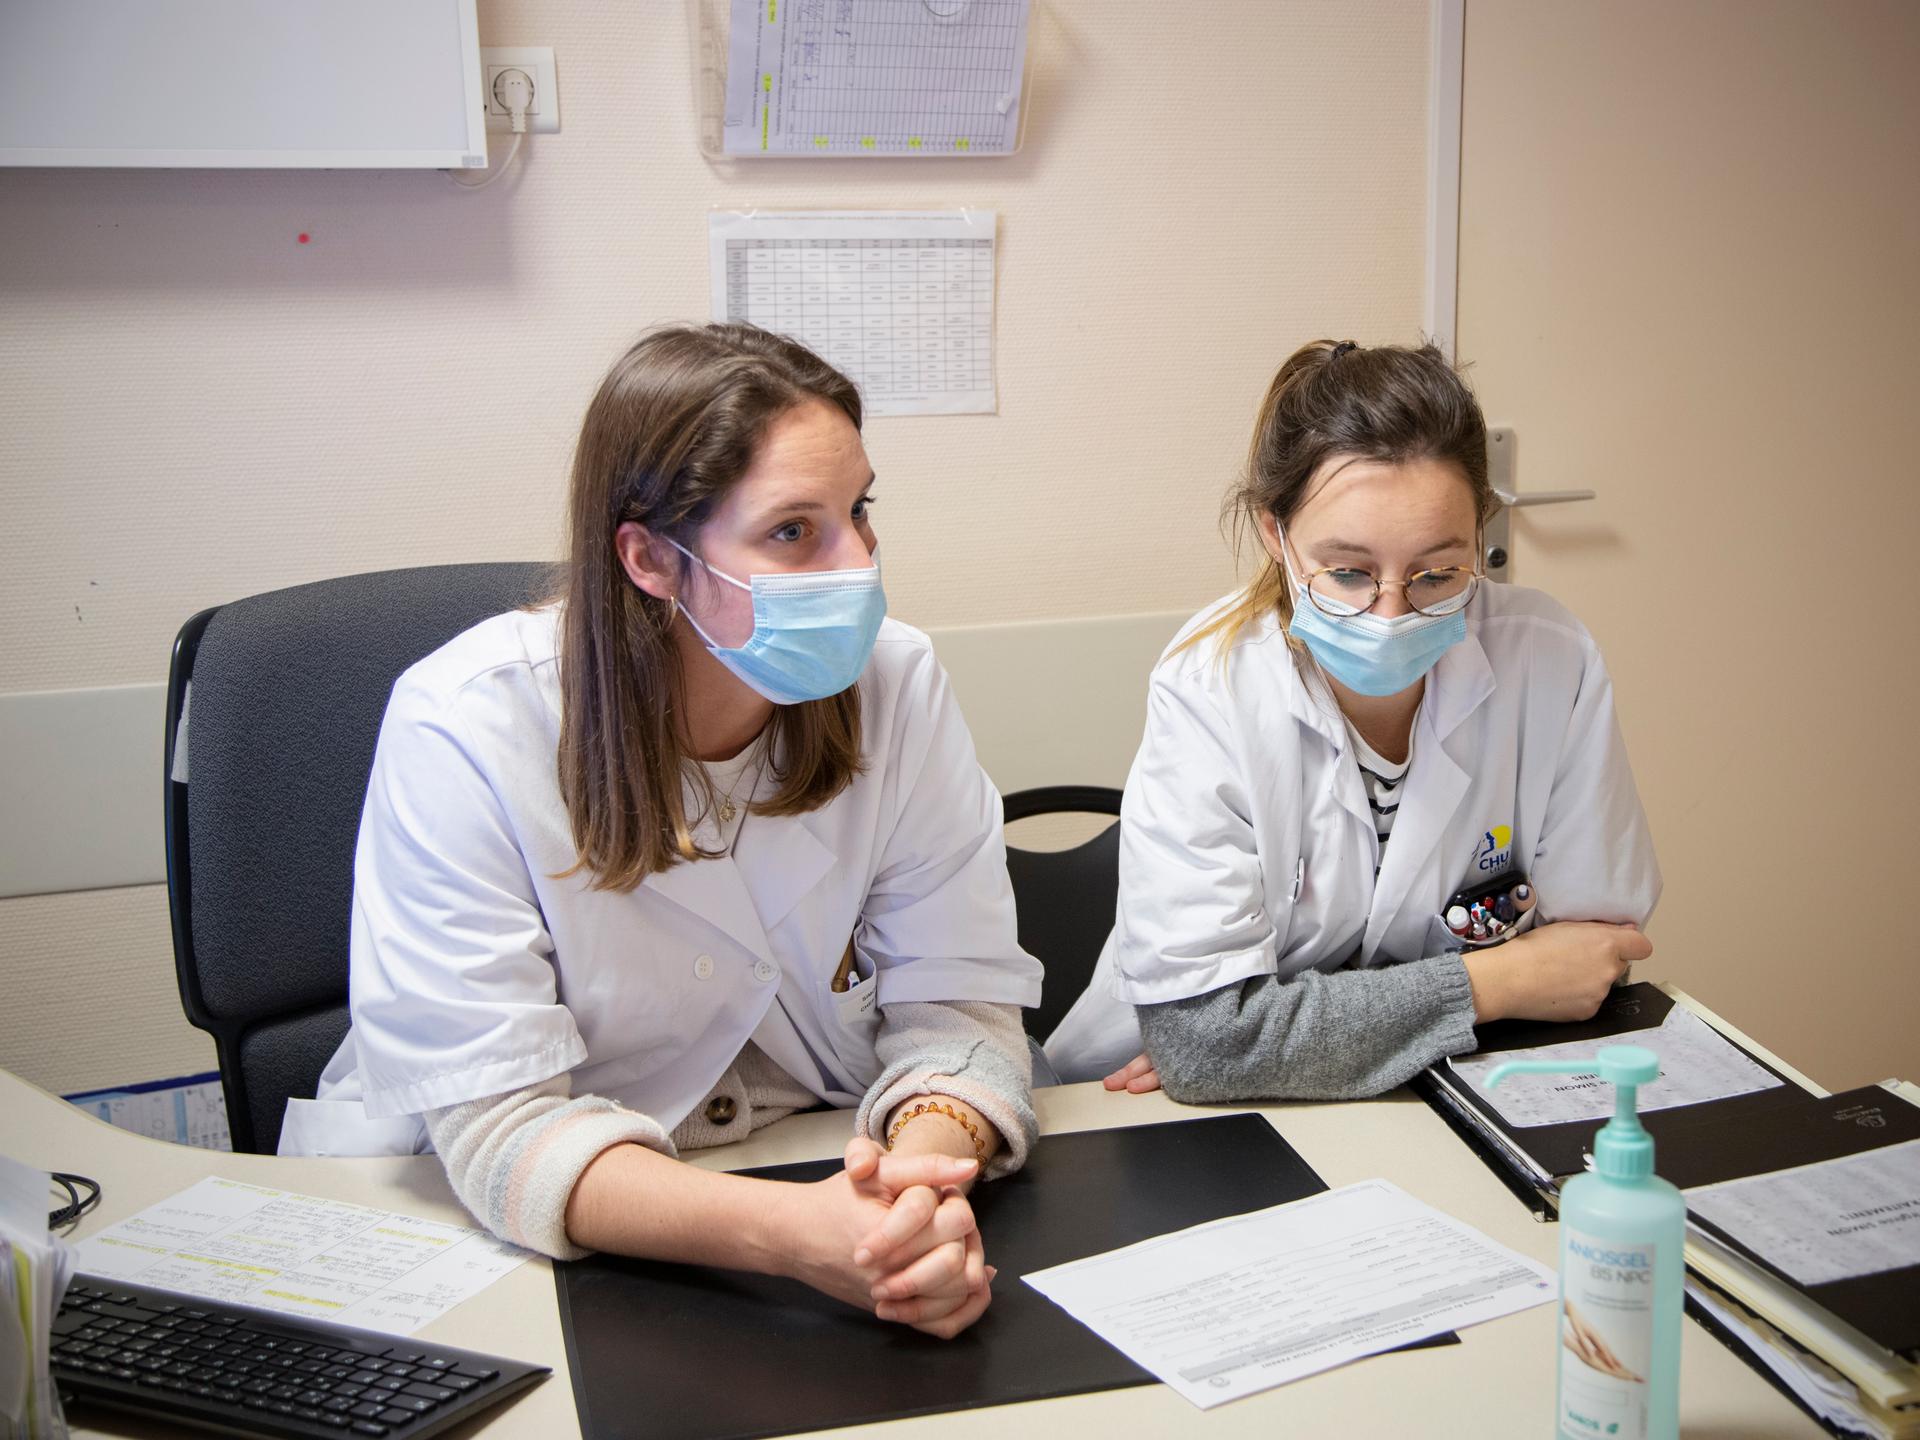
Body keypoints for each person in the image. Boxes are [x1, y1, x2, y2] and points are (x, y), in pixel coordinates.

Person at [280, 323, 1041, 1340]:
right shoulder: (464, 720)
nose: (857, 565)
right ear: (649, 557)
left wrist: (917, 1177)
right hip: (520, 1231)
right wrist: (794, 1234)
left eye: (859, 512)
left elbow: (960, 1004)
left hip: (815, 1172)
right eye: (792, 531)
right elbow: (504, 1128)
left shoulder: (896, 682)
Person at [1045, 338, 1658, 1099]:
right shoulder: (1214, 686)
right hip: (1157, 1119)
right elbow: (1209, 1045)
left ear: (1481, 534)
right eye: (1347, 572)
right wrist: (1499, 979)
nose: (1392, 611)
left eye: (1438, 572)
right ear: (1275, 535)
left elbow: (1593, 960)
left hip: (1451, 1085)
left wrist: (1287, 1032)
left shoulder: (1550, 660)